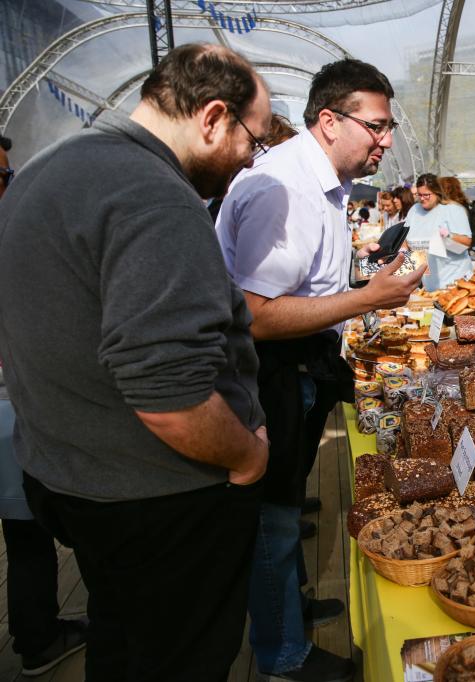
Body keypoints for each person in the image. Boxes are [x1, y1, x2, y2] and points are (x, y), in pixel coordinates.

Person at [0, 43, 271, 681]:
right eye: (251, 140)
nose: (247, 160)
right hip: (158, 503)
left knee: (122, 641)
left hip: (72, 480)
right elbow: (169, 394)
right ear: (212, 118)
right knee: (180, 659)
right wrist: (246, 455)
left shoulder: (46, 169)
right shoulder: (155, 196)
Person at [217, 57, 424, 682]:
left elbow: (305, 284)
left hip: (299, 370)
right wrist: (368, 298)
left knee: (282, 509)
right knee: (273, 515)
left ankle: (290, 610)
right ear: (329, 121)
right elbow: (254, 314)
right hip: (268, 375)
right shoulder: (285, 187)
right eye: (377, 126)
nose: (386, 141)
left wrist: (358, 288)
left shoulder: (318, 181)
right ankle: (281, 652)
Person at [0, 136, 88, 678]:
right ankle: (37, 639)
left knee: (26, 528)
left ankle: (38, 630)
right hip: (12, 402)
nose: (8, 188)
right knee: (27, 530)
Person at [405, 173, 473, 290]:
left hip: (455, 281)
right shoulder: (414, 210)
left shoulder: (454, 210)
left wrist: (447, 236)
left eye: (426, 195)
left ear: (437, 193)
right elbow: (405, 239)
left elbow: (466, 242)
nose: (422, 199)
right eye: (419, 195)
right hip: (429, 283)